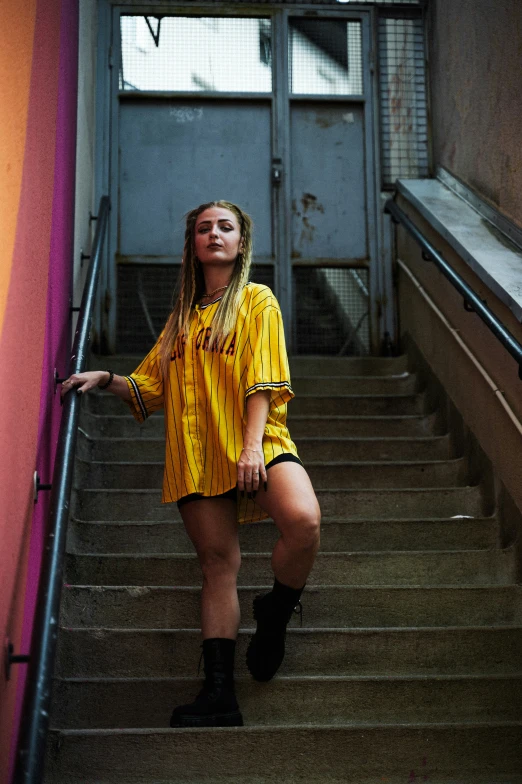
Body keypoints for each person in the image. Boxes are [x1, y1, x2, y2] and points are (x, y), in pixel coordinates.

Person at [61, 200, 321, 728]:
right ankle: (220, 694)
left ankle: (273, 614)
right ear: (194, 245)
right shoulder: (182, 317)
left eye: (225, 227)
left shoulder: (256, 300)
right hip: (197, 455)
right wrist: (107, 379)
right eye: (204, 229)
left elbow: (264, 378)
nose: (214, 235)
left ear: (241, 242)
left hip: (257, 440)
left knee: (303, 521)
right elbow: (151, 386)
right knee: (216, 566)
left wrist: (251, 449)